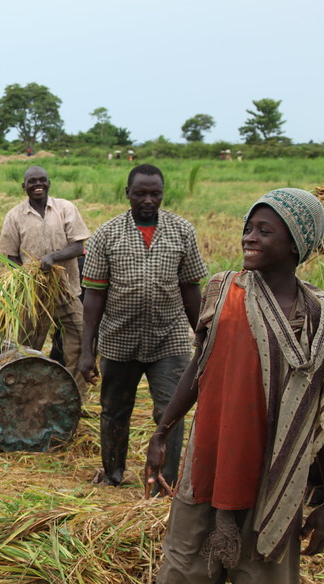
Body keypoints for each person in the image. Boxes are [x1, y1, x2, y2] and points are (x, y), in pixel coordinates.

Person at [125, 189, 324, 584]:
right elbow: (197, 367)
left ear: (297, 244)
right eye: (249, 226)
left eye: (266, 230)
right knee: (173, 578)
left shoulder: (319, 316)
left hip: (275, 476)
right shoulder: (224, 291)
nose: (250, 236)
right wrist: (162, 430)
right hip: (210, 461)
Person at [79, 164, 208, 488]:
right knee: (114, 411)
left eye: (155, 194)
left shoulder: (182, 231)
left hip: (170, 338)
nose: (148, 200)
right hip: (119, 339)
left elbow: (190, 288)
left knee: (170, 412)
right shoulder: (106, 235)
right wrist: (86, 350)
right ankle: (112, 474)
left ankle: (163, 481)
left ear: (163, 194)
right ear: (128, 194)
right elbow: (94, 295)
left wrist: (206, 335)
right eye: (141, 193)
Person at [0, 165, 90, 394]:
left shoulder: (65, 208)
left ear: (49, 183)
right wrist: (27, 278)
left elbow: (78, 246)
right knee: (27, 345)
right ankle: (26, 393)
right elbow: (9, 256)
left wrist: (53, 258)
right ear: (24, 186)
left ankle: (73, 394)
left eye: (42, 180)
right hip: (33, 294)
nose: (37, 185)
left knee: (80, 334)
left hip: (66, 288)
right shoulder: (15, 216)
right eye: (32, 182)